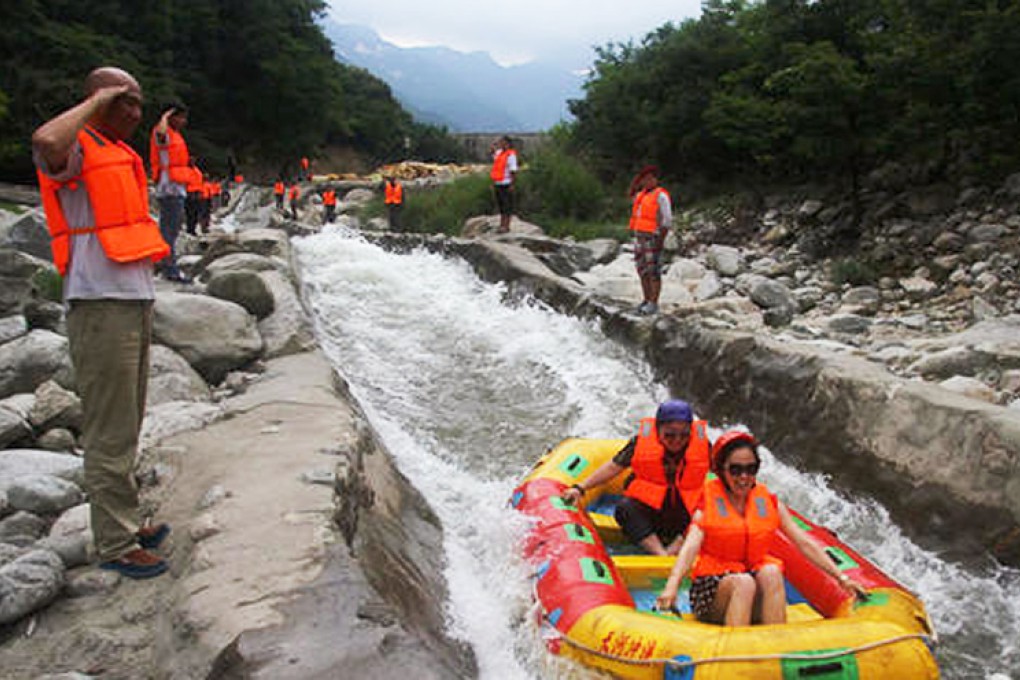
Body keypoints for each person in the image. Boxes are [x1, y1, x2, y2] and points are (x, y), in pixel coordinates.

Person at [32, 66, 172, 579]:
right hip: (99, 302)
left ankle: (125, 521)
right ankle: (114, 543)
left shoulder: (121, 153)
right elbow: (45, 138)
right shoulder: (73, 149)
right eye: (123, 102)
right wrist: (98, 100)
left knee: (128, 420)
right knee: (109, 429)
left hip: (131, 298)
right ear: (95, 101)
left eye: (138, 102)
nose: (134, 112)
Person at [655, 430, 867, 625]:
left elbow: (803, 543)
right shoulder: (708, 502)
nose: (744, 477)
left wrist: (842, 579)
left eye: (750, 469)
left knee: (772, 571)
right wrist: (672, 587)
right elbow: (691, 546)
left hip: (752, 583)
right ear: (721, 470)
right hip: (713, 591)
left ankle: (775, 640)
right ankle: (736, 649)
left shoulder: (767, 501)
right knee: (744, 583)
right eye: (736, 470)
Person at [562, 399, 711, 556]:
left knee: (708, 509)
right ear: (658, 429)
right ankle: (660, 553)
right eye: (670, 435)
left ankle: (677, 546)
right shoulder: (640, 442)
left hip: (684, 516)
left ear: (691, 431)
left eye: (684, 435)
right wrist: (580, 488)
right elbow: (613, 467)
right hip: (652, 514)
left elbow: (724, 474)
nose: (677, 440)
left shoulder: (703, 445)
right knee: (625, 508)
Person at [149, 102, 190, 282]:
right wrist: (164, 117)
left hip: (176, 186)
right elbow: (160, 133)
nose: (183, 121)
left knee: (171, 229)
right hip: (169, 188)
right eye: (179, 117)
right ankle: (169, 268)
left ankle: (165, 264)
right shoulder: (163, 134)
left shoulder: (175, 136)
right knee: (169, 230)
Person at [628, 166, 672, 315]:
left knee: (653, 271)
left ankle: (654, 303)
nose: (646, 181)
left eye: (649, 178)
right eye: (644, 179)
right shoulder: (641, 195)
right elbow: (630, 194)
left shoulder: (661, 196)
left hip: (652, 237)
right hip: (639, 237)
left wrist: (660, 240)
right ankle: (646, 300)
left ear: (655, 179)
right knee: (642, 270)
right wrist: (636, 181)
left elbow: (667, 220)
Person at [490, 135, 517, 234]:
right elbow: (493, 155)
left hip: (506, 183)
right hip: (498, 182)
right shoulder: (499, 153)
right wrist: (493, 146)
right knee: (500, 205)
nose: (500, 144)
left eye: (502, 142)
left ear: (507, 143)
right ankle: (501, 225)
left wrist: (512, 184)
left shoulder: (511, 155)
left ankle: (506, 226)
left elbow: (513, 170)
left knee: (507, 205)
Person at [183, 158, 204, 236]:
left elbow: (200, 183)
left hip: (196, 194)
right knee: (190, 212)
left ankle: (192, 229)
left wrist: (201, 193)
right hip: (189, 193)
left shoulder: (197, 171)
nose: (192, 162)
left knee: (195, 213)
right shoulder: (186, 171)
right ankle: (190, 229)